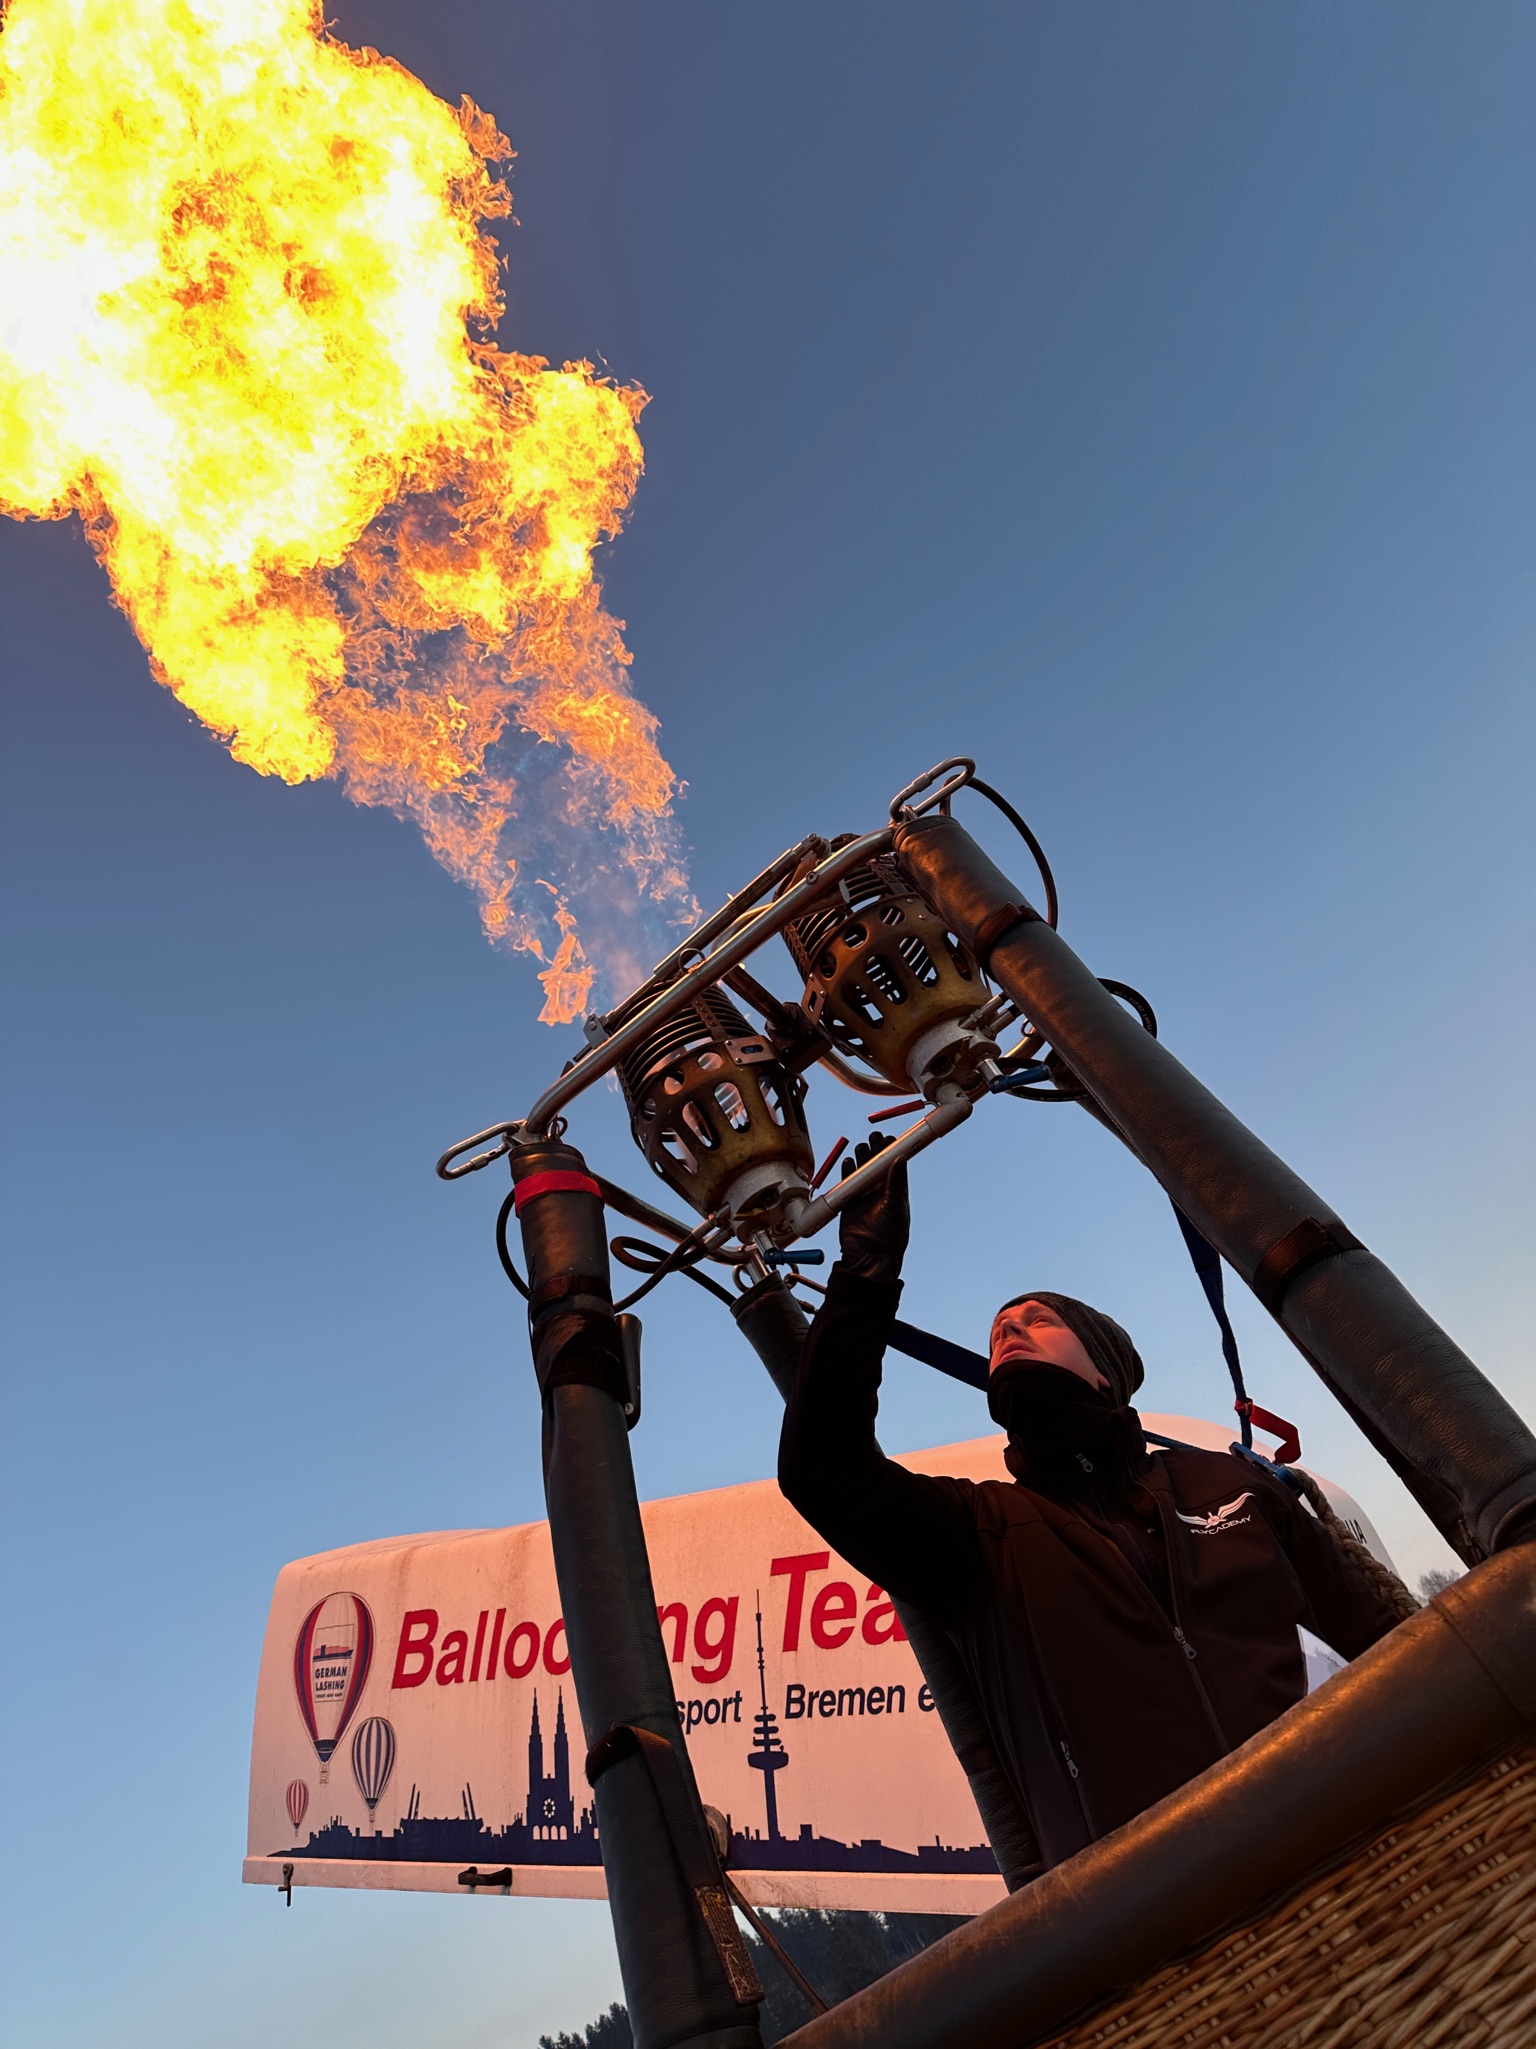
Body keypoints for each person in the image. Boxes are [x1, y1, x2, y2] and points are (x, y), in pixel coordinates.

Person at [778, 1139, 1408, 1872]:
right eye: (996, 1334)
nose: (1007, 1329)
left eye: (1037, 1320)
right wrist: (864, 1277)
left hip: (1360, 1836)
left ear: (1107, 1369)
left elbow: (1377, 1637)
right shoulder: (977, 1537)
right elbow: (824, 1470)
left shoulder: (1234, 1485)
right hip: (1153, 1918)